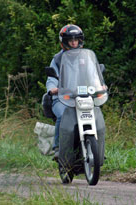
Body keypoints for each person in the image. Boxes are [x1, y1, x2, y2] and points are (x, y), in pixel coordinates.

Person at [46, 24, 84, 158]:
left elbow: (94, 73)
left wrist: (101, 85)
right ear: (64, 42)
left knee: (96, 114)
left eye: (76, 39)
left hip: (82, 97)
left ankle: (96, 148)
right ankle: (57, 147)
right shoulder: (57, 59)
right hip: (62, 98)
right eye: (70, 40)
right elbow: (51, 78)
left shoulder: (85, 58)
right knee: (63, 115)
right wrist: (52, 89)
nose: (74, 42)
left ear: (80, 40)